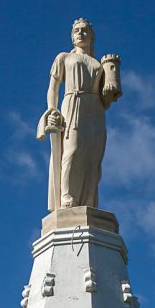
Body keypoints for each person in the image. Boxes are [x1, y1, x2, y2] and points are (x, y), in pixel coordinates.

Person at [37, 19, 121, 210]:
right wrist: (52, 109)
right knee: (72, 150)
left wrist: (110, 91)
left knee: (93, 155)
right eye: (76, 30)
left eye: (84, 30)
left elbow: (105, 100)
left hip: (95, 109)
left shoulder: (99, 65)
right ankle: (66, 195)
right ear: (72, 36)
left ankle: (88, 200)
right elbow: (53, 88)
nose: (80, 33)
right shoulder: (64, 58)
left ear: (92, 36)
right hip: (73, 104)